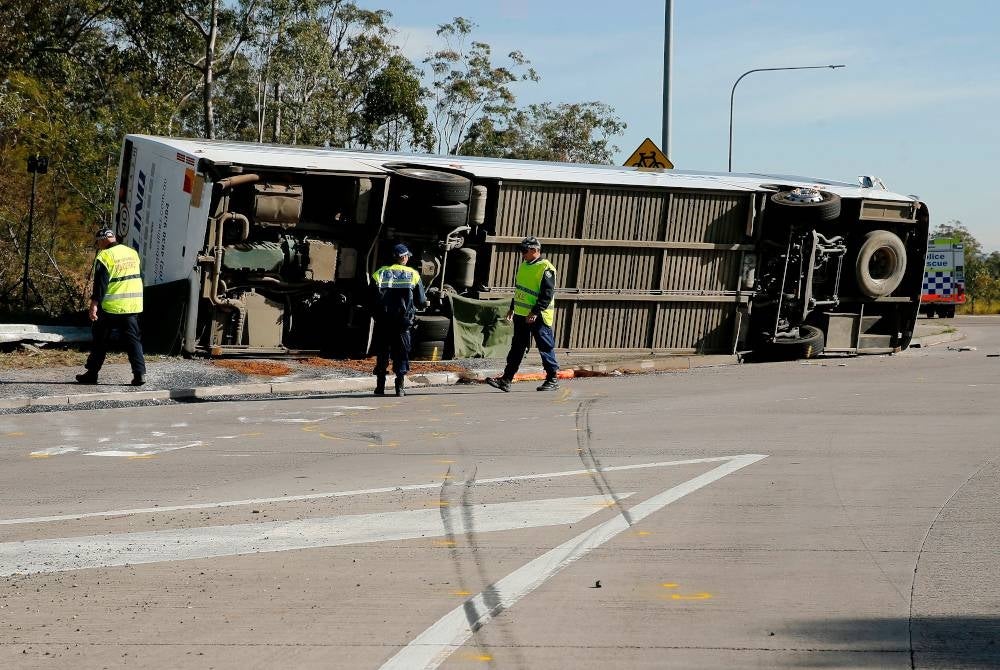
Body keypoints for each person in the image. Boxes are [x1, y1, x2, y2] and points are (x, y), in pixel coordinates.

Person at [486, 236, 561, 392]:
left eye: (524, 251)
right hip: (521, 315)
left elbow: (547, 294)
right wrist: (513, 308)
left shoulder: (546, 268)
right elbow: (520, 290)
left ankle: (552, 379)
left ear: (535, 250)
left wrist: (535, 311)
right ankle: (506, 380)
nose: (522, 254)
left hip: (538, 316)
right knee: (517, 348)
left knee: (545, 347)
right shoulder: (524, 265)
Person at [75, 228, 147, 386]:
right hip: (132, 305)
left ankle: (92, 374)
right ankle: (139, 374)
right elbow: (140, 276)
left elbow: (100, 284)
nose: (98, 245)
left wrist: (94, 304)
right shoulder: (132, 252)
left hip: (111, 307)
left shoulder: (104, 256)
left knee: (100, 340)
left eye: (98, 242)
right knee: (133, 340)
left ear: (102, 240)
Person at [371, 243, 426, 396]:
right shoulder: (412, 274)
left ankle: (380, 387)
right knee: (401, 353)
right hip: (403, 323)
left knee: (383, 353)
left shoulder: (380, 273)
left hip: (383, 321)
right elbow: (421, 300)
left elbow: (370, 298)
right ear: (404, 257)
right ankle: (399, 388)